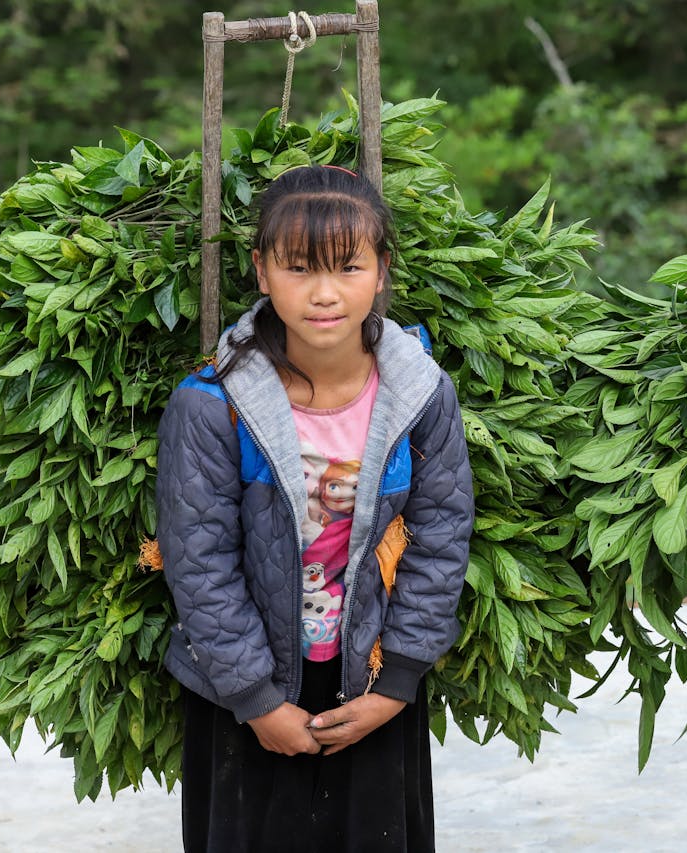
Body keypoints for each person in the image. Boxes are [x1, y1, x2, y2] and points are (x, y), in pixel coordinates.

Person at [155, 164, 474, 851]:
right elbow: (198, 560)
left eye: (347, 266)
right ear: (262, 271)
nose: (324, 293)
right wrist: (255, 699)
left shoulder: (421, 392)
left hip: (369, 679)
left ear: (381, 271)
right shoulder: (212, 404)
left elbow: (441, 534)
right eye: (298, 267)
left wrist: (397, 682)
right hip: (243, 690)